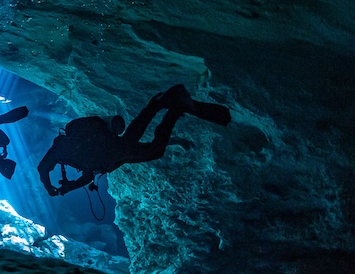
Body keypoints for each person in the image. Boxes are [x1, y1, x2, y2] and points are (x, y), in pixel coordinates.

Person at [37, 84, 231, 196]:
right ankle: (161, 104)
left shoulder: (63, 148)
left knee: (153, 149)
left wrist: (50, 188)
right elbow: (87, 175)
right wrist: (69, 187)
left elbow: (43, 167)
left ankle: (172, 108)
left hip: (113, 151)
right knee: (136, 135)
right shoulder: (73, 153)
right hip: (114, 152)